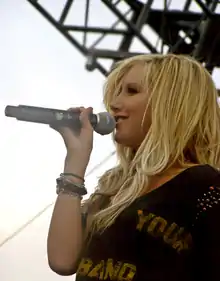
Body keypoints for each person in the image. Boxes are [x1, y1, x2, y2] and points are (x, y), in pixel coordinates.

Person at [47, 54, 220, 281]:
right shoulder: (114, 186)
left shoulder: (205, 186)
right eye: (116, 93)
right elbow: (62, 260)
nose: (114, 104)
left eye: (131, 91)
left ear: (172, 102)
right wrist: (75, 161)